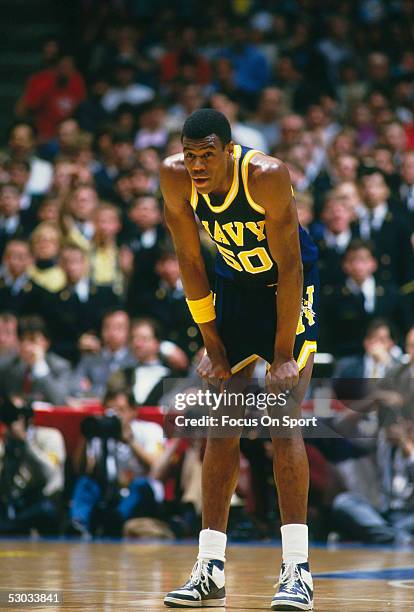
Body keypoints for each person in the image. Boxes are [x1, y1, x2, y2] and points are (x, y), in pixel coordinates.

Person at [160, 109, 318, 610]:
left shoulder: (266, 177)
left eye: (207, 155)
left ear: (229, 151)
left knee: (281, 417)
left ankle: (298, 569)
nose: (197, 165)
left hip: (286, 288)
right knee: (222, 422)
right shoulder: (174, 177)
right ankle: (209, 565)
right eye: (190, 156)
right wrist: (212, 344)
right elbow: (189, 260)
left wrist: (282, 354)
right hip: (235, 287)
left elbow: (291, 264)